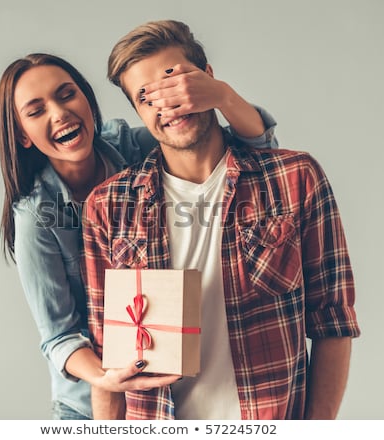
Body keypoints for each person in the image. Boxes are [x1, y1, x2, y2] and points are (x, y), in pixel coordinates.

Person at [83, 20, 361, 420]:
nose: (167, 104)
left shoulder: (295, 177)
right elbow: (106, 357)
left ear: (208, 78)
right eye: (146, 97)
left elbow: (333, 322)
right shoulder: (107, 206)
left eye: (175, 82)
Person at [0, 52, 277, 420]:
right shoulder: (35, 216)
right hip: (88, 404)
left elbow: (253, 148)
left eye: (66, 95)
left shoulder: (132, 148)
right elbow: (58, 337)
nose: (59, 113)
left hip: (173, 393)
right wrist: (108, 377)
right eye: (36, 111)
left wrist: (222, 96)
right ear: (22, 135)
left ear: (87, 99)